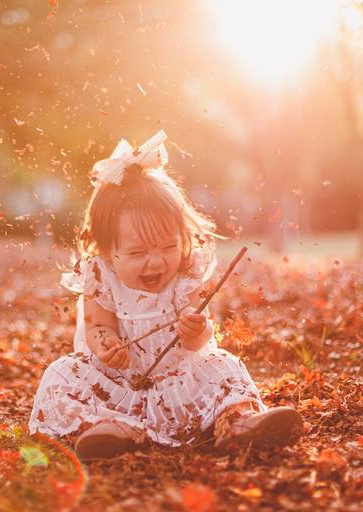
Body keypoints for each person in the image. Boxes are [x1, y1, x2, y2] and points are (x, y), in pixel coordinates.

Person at [28, 130, 303, 461]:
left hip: (177, 383)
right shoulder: (101, 276)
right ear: (107, 250)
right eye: (138, 252)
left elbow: (197, 336)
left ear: (182, 239)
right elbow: (96, 324)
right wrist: (105, 345)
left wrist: (196, 332)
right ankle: (108, 430)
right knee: (60, 374)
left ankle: (236, 422)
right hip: (116, 385)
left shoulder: (185, 273)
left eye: (168, 246)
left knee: (221, 364)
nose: (156, 261)